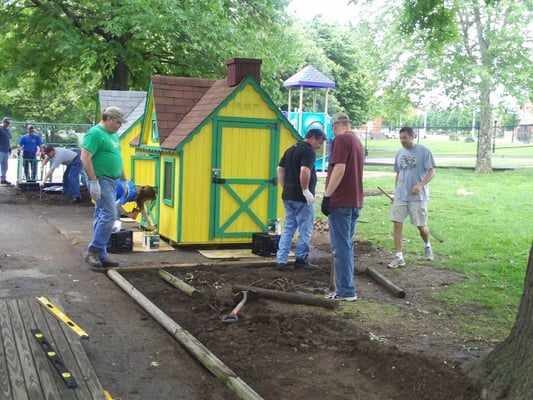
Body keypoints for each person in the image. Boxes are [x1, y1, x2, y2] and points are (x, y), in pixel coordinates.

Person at [321, 112, 364, 301]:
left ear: (335, 126)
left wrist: (327, 196)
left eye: (332, 128)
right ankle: (345, 287)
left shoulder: (341, 140)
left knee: (340, 248)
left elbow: (339, 169)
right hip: (355, 200)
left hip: (341, 201)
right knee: (347, 245)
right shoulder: (357, 141)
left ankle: (346, 291)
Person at [81, 106, 128, 271]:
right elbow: (85, 157)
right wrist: (93, 181)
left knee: (101, 215)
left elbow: (118, 159)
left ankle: (100, 253)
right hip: (101, 179)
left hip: (112, 181)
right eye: (118, 122)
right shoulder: (95, 133)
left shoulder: (113, 135)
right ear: (108, 119)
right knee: (110, 214)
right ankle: (93, 250)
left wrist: (124, 180)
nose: (119, 126)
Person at [276, 128, 326, 271]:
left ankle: (281, 260)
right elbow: (305, 170)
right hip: (301, 198)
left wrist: (285, 186)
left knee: (289, 227)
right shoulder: (308, 151)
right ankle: (301, 259)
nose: (319, 146)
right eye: (320, 142)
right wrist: (305, 190)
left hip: (288, 196)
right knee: (305, 228)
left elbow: (280, 169)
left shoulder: (291, 149)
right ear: (313, 138)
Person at [387, 126, 436, 268]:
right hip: (401, 196)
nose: (403, 141)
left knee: (421, 227)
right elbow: (399, 173)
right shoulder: (400, 153)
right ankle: (398, 257)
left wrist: (420, 185)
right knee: (397, 225)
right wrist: (396, 192)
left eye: (405, 138)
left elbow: (432, 172)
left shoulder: (424, 151)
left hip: (418, 197)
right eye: (401, 138)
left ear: (412, 136)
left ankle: (427, 245)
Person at [0, 117, 12, 185]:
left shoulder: (8, 130)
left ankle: (3, 179)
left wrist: (9, 148)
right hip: (0, 150)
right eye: (6, 122)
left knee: (5, 166)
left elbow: (9, 139)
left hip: (6, 150)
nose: (7, 124)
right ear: (3, 122)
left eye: (8, 123)